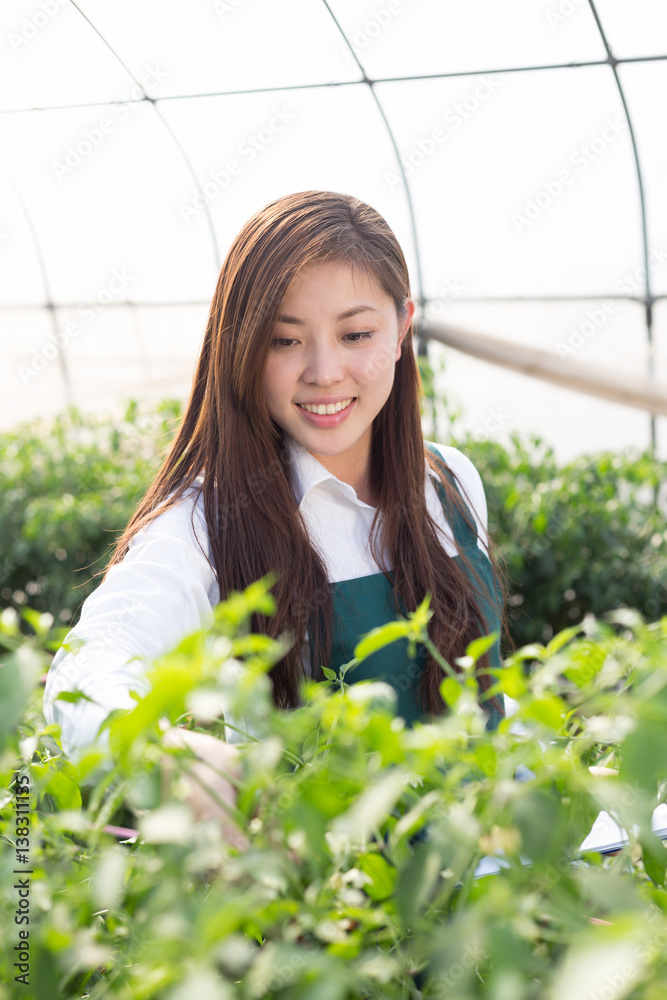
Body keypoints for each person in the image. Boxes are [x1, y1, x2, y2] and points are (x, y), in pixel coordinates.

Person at [43, 190, 505, 836]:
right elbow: (85, 669)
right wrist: (165, 754)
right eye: (285, 340)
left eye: (355, 334)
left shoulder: (451, 482)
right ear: (243, 348)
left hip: (497, 892)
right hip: (337, 917)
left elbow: (489, 708)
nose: (323, 371)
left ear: (401, 330)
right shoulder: (212, 520)